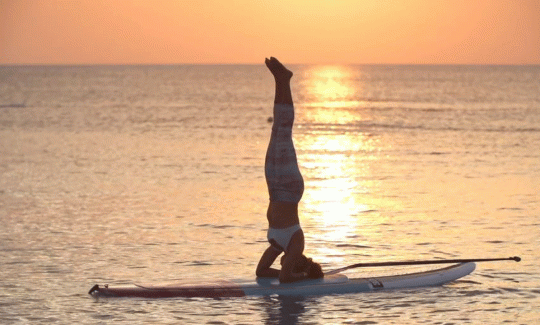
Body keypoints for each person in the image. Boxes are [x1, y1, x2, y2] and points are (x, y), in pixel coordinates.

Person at [256, 57, 324, 283]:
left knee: (277, 127)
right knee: (284, 130)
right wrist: (302, 276)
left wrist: (289, 274)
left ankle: (279, 80)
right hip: (289, 187)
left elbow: (262, 271)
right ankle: (284, 80)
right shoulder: (296, 244)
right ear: (298, 261)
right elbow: (285, 278)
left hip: (274, 187)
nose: (283, 262)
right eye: (290, 264)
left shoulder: (278, 245)